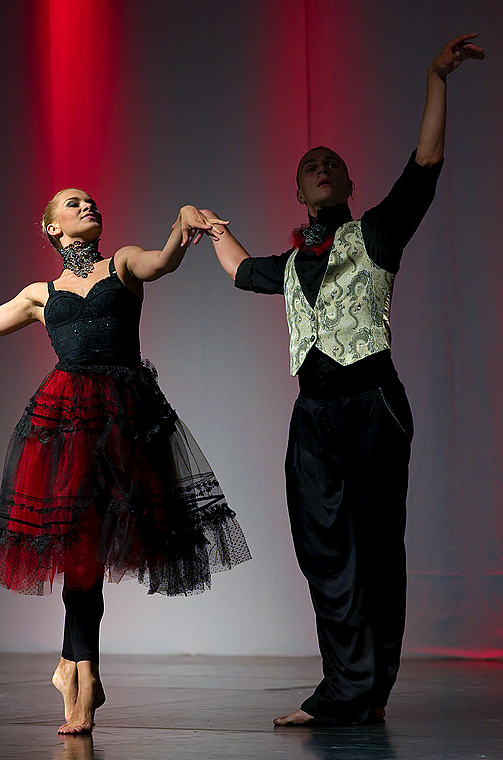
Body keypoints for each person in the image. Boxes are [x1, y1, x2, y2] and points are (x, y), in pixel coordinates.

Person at [203, 34, 485, 725]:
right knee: (323, 552)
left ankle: (366, 692)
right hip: (314, 418)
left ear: (348, 183)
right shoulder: (289, 263)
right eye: (310, 165)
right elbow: (242, 271)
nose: (321, 168)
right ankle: (340, 688)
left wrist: (435, 81)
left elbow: (424, 165)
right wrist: (208, 228)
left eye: (332, 163)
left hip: (371, 404)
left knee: (376, 549)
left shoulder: (376, 233)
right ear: (296, 189)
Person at [0, 194, 251, 734]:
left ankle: (75, 671)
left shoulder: (121, 263)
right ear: (52, 227)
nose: (88, 205)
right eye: (74, 204)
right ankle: (83, 676)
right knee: (80, 548)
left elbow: (162, 262)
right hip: (66, 428)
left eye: (92, 201)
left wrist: (182, 221)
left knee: (93, 546)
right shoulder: (38, 295)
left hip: (124, 423)